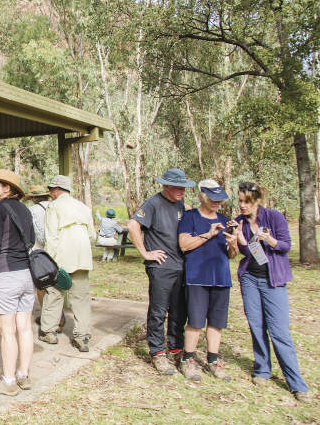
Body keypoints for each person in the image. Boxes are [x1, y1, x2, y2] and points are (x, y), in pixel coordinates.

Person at [234, 182, 310, 402]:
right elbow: (248, 254)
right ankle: (262, 369)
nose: (242, 205)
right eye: (239, 200)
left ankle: (296, 383)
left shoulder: (274, 217)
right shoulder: (240, 222)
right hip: (250, 279)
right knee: (256, 326)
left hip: (273, 280)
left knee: (279, 331)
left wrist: (270, 240)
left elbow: (286, 246)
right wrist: (240, 240)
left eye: (246, 201)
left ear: (257, 200)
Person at [127, 168, 194, 375]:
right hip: (161, 267)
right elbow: (132, 225)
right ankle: (157, 352)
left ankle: (175, 348)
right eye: (177, 187)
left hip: (181, 266)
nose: (181, 190)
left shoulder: (183, 205)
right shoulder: (153, 203)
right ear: (165, 186)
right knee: (158, 311)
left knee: (179, 311)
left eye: (183, 187)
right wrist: (145, 253)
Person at [177, 180, 239, 381]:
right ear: (201, 195)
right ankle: (187, 359)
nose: (216, 202)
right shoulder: (190, 217)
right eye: (212, 198)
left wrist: (233, 243)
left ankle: (213, 360)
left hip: (221, 278)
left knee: (216, 322)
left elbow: (232, 255)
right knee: (195, 321)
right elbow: (184, 244)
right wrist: (209, 234)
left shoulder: (225, 220)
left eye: (219, 199)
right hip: (197, 277)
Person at [0, 169, 35, 396]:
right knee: (24, 328)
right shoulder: (24, 210)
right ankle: (23, 375)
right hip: (25, 274)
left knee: (7, 331)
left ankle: (8, 380)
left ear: (8, 189)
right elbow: (31, 239)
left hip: (5, 275)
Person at [41, 175, 95, 352]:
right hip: (83, 256)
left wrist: (50, 261)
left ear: (56, 190)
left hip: (62, 256)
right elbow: (92, 235)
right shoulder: (83, 207)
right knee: (80, 297)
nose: (50, 194)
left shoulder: (54, 206)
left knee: (54, 293)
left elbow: (51, 236)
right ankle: (81, 335)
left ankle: (48, 331)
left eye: (51, 190)